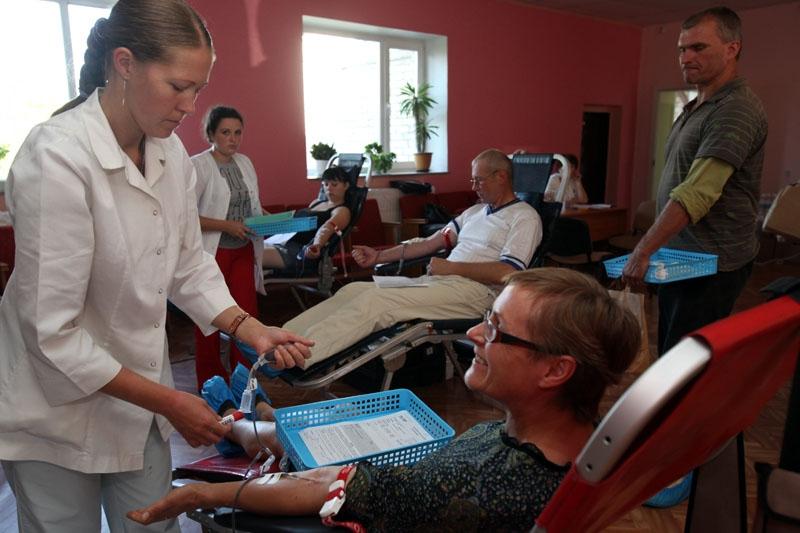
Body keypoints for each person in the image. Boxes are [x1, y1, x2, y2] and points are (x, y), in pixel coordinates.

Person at [0, 2, 312, 531]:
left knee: (152, 524)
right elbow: (51, 333)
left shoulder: (168, 157)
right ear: (124, 63)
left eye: (198, 89)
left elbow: (188, 264)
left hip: (137, 394)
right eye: (178, 87)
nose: (191, 106)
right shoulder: (56, 157)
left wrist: (249, 327)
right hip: (52, 407)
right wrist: (172, 402)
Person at [128, 268, 641, 531]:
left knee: (297, 444)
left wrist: (204, 496)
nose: (474, 333)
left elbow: (330, 484)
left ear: (556, 370)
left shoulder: (464, 487)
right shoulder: (576, 456)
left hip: (359, 491)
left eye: (497, 329)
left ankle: (238, 418)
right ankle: (250, 415)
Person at [622, 6, 767, 507]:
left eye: (698, 47)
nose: (686, 57)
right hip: (682, 257)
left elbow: (697, 193)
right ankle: (663, 442)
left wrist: (642, 249)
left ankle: (677, 464)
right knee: (671, 358)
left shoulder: (736, 109)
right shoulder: (698, 103)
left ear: (732, 48)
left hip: (712, 262)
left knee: (687, 365)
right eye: (682, 48)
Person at [282, 148, 543, 367]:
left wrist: (451, 268)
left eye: (478, 180)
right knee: (353, 290)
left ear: (501, 176)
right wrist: (378, 256)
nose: (473, 187)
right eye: (472, 181)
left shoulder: (525, 217)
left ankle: (296, 358)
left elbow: (507, 272)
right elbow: (430, 244)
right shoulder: (475, 212)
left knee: (377, 302)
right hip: (443, 284)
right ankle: (282, 340)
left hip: (478, 294)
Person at [192, 105, 266, 389]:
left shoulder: (245, 162)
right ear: (211, 133)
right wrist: (226, 226)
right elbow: (185, 216)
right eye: (225, 132)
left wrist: (277, 223)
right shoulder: (198, 165)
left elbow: (254, 208)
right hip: (212, 252)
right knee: (209, 316)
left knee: (246, 315)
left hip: (243, 249)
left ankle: (243, 380)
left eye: (237, 133)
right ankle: (211, 382)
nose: (233, 139)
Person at [262, 166, 353, 273]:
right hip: (281, 242)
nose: (329, 188)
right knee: (244, 250)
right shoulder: (316, 202)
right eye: (326, 184)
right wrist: (260, 210)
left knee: (251, 255)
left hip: (299, 251)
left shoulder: (342, 211)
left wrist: (316, 245)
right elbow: (286, 224)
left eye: (334, 184)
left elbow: (327, 228)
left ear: (346, 186)